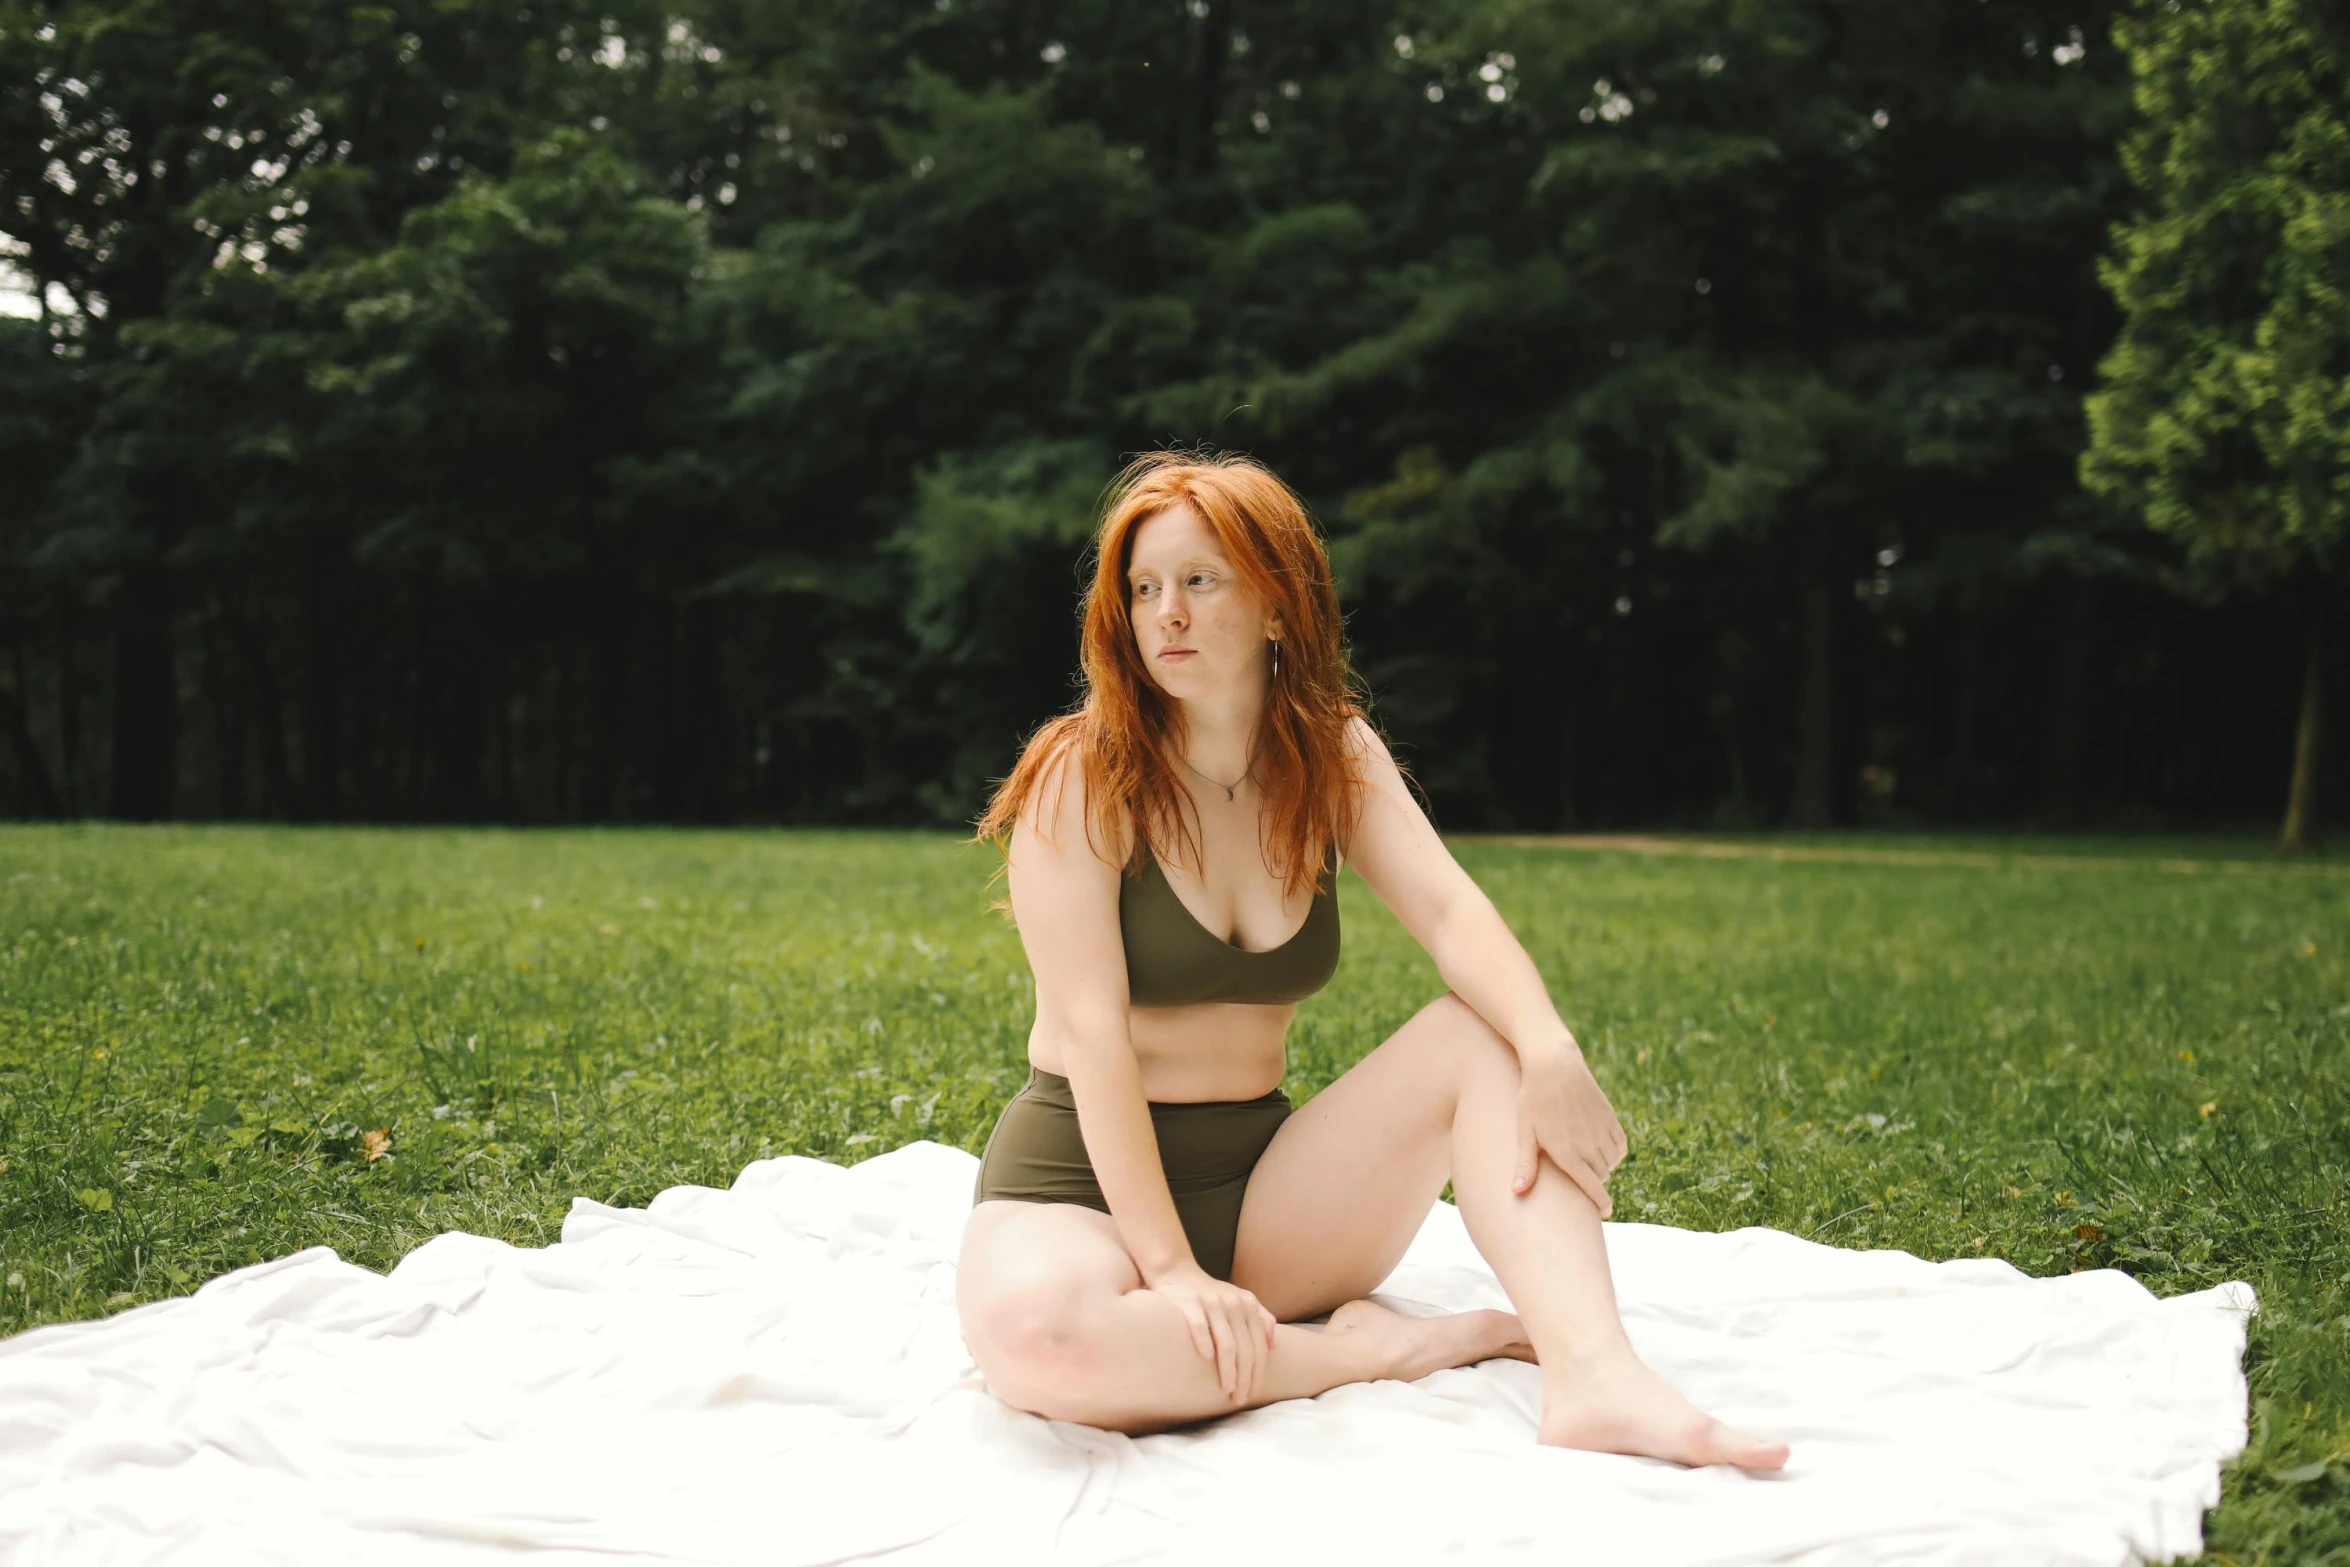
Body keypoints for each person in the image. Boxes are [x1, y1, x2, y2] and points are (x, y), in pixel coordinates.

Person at [957, 451, 1787, 1469]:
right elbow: (1090, 1036)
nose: (1164, 612)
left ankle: (1595, 1376)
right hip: (1081, 1186)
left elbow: (1448, 910)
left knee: (1481, 1038)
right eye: (1142, 588)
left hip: (1263, 1194)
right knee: (1047, 1348)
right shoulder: (1082, 774)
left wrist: (1548, 1048)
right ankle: (1368, 1354)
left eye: (1198, 580)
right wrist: (1170, 1267)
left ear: (1275, 605)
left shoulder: (1330, 755)